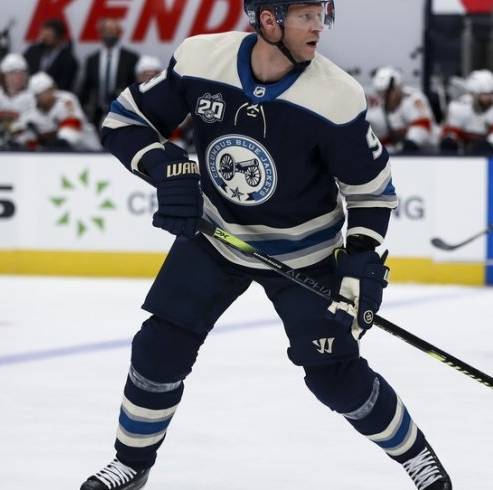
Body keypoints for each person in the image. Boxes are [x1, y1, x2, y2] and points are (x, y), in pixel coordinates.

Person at [79, 1, 452, 489]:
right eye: (306, 15)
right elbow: (124, 120)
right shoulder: (200, 59)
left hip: (306, 255)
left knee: (334, 375)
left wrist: (362, 254)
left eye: (322, 14)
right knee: (158, 348)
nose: (319, 26)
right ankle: (131, 463)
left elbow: (372, 191)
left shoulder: (336, 96)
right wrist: (164, 164)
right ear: (268, 20)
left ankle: (420, 461)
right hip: (216, 238)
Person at [14, 72, 101, 151]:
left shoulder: (67, 100)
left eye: (49, 89)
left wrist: (47, 139)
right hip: (53, 156)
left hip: (87, 151)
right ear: (36, 96)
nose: (48, 94)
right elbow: (23, 137)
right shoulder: (30, 113)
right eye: (42, 92)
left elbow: (71, 133)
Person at [79, 18, 140, 128]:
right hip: (97, 111)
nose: (110, 35)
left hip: (123, 110)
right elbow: (86, 86)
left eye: (113, 32)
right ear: (101, 33)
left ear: (119, 33)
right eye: (107, 32)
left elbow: (134, 85)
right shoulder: (92, 59)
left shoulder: (130, 58)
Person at [440, 69, 493, 154]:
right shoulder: (459, 107)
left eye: (492, 93)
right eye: (485, 94)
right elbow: (450, 136)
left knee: (482, 147)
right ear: (473, 94)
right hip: (465, 158)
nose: (490, 97)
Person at [365, 66, 437, 153]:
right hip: (401, 156)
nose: (384, 98)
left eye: (387, 92)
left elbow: (421, 130)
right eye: (380, 93)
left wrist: (405, 144)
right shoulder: (378, 109)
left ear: (398, 88)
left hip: (429, 153)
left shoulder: (413, 99)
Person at [23, 18, 80, 91]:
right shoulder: (32, 51)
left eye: (48, 36)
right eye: (43, 35)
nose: (44, 39)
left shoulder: (69, 60)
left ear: (59, 37)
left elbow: (64, 86)